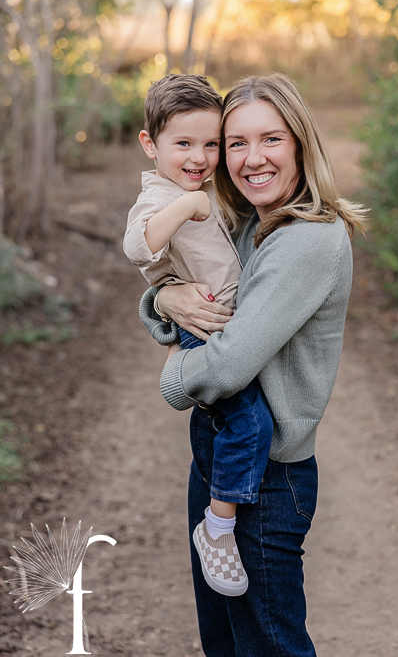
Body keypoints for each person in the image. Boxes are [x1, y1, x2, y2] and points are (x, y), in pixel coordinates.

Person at [138, 73, 367, 656]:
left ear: (299, 143)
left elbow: (227, 365)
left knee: (269, 647)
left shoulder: (307, 241)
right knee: (223, 642)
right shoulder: (245, 225)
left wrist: (171, 373)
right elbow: (187, 286)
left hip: (269, 480)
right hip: (214, 454)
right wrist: (162, 299)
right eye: (235, 142)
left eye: (271, 139)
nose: (250, 157)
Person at [123, 73, 273, 598]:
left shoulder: (200, 189)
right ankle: (219, 525)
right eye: (183, 143)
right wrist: (185, 206)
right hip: (203, 330)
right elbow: (138, 247)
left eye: (211, 144)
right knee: (249, 422)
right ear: (151, 144)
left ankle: (220, 515)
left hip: (220, 318)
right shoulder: (161, 197)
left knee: (235, 423)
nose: (200, 156)